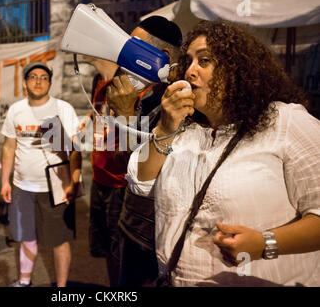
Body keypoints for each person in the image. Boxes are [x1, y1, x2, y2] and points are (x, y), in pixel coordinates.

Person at [113, 20, 320, 286]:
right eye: (187, 61)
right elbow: (140, 183)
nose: (189, 71)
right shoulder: (184, 127)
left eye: (204, 61)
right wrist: (164, 127)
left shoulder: (285, 122)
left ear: (237, 70)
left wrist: (264, 242)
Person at [87, 16, 182, 286]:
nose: (125, 53)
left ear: (162, 56)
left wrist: (127, 115)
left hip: (150, 228)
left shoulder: (175, 101)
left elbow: (138, 165)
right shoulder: (150, 95)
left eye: (134, 46)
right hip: (132, 217)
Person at [0, 61, 81, 287]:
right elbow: (9, 147)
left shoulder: (63, 109)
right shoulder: (16, 110)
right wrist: (5, 181)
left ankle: (62, 287)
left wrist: (72, 182)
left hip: (56, 188)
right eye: (33, 77)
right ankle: (25, 281)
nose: (38, 81)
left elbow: (76, 149)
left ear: (50, 83)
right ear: (25, 83)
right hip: (21, 187)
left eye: (43, 77)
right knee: (26, 235)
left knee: (59, 239)